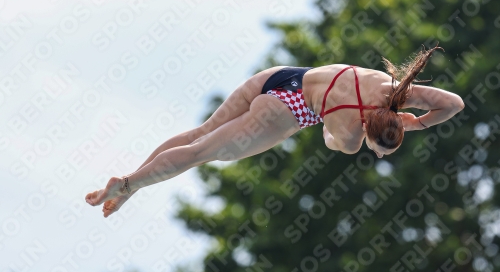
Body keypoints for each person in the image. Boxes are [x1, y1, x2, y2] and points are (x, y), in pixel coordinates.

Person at [85, 45, 464, 218]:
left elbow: (453, 103)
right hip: (287, 111)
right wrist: (413, 127)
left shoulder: (394, 90)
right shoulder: (349, 134)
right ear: (369, 129)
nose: (375, 153)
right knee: (203, 153)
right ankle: (129, 182)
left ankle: (134, 181)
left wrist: (416, 119)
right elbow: (327, 139)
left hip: (283, 77)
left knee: (200, 133)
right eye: (378, 149)